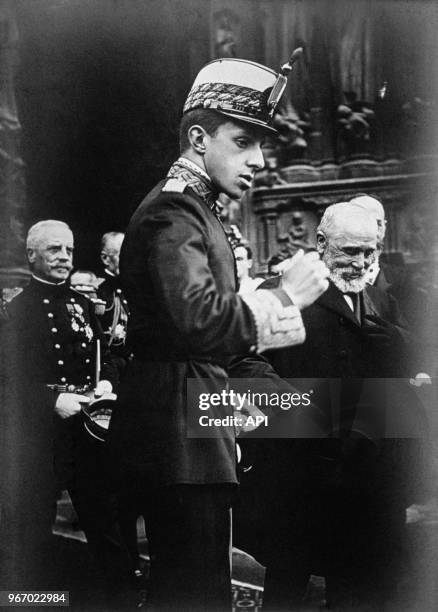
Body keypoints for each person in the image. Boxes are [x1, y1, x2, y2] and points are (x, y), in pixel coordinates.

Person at [108, 56, 329, 611]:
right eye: (244, 141)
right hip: (178, 435)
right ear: (199, 138)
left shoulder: (202, 211)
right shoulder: (173, 211)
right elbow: (201, 321)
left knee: (367, 415)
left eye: (262, 145)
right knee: (192, 594)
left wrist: (307, 407)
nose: (258, 160)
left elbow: (218, 348)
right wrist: (284, 296)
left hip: (199, 422)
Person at [249, 202, 430, 610]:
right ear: (321, 244)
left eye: (369, 251)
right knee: (288, 583)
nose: (361, 262)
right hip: (301, 474)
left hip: (366, 479)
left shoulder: (383, 304)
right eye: (349, 251)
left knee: (358, 586)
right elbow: (250, 366)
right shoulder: (281, 293)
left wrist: (403, 350)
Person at [1, 220, 132, 605]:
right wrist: (50, 402)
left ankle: (122, 603)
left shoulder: (82, 304)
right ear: (32, 255)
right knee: (31, 533)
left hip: (86, 434)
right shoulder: (14, 313)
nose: (63, 257)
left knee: (105, 526)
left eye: (69, 250)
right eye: (54, 249)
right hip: (39, 438)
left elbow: (108, 353)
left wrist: (107, 382)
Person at [97, 232, 131, 373]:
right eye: (122, 254)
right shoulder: (98, 290)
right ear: (106, 259)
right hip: (111, 368)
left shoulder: (135, 287)